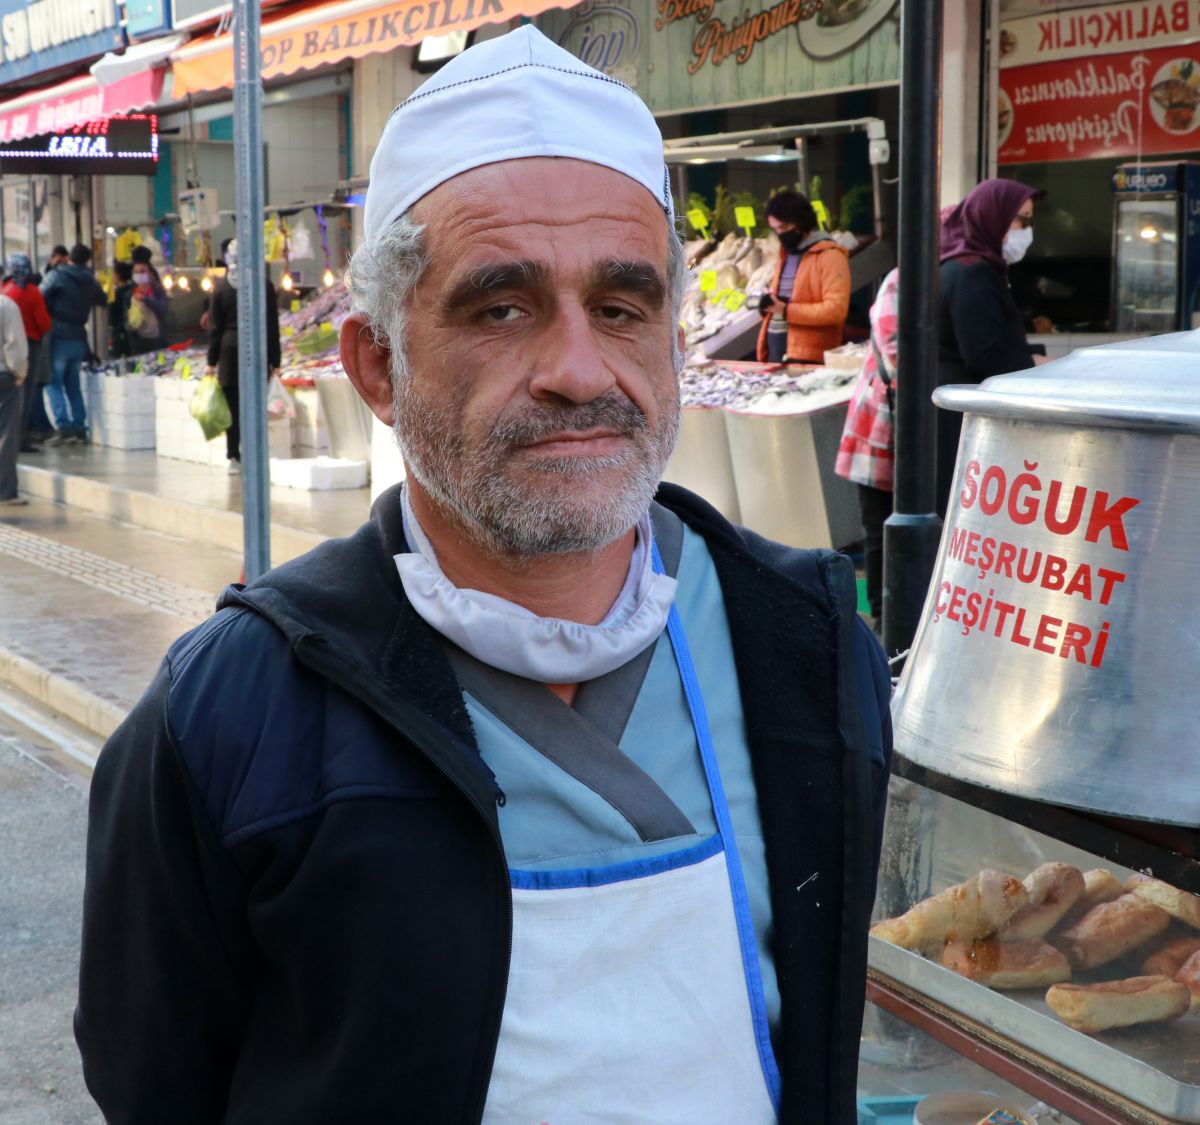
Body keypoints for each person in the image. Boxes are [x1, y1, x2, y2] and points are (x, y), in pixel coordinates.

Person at [76, 27, 891, 1125]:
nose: (575, 370)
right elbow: (157, 1082)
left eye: (621, 306)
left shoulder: (803, 641)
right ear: (377, 363)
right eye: (500, 309)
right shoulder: (227, 716)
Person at [936, 178, 1040, 514]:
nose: (1026, 230)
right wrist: (1034, 365)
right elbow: (983, 351)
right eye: (1020, 219)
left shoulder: (964, 265)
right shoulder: (971, 272)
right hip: (960, 420)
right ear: (991, 215)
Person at [835, 266, 898, 623]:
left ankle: (885, 613)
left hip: (885, 421)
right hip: (881, 424)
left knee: (881, 527)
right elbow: (897, 357)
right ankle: (882, 614)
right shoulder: (901, 282)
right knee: (879, 526)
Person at [204, 237, 282, 473]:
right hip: (256, 351)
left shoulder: (220, 288)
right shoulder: (263, 284)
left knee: (233, 407)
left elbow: (214, 329)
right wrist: (275, 361)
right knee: (255, 407)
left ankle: (234, 457)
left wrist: (211, 361)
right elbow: (271, 325)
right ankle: (254, 453)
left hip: (229, 353)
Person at [756, 189, 851, 364]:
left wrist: (785, 310)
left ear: (801, 222)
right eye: (775, 229)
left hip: (809, 357)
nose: (780, 234)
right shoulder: (786, 254)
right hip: (777, 351)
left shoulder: (830, 256)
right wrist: (769, 301)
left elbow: (836, 310)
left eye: (784, 228)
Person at [39, 243, 104, 446]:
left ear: (69, 258)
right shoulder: (90, 280)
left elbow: (39, 295)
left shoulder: (58, 275)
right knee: (73, 384)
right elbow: (102, 299)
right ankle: (79, 426)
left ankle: (64, 426)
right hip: (79, 337)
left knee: (53, 383)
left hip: (58, 335)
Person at [2, 253, 52, 452]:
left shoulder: (6, 291)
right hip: (29, 346)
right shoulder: (32, 292)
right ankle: (20, 438)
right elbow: (44, 322)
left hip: (5, 351)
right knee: (25, 394)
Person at [0, 290, 30, 505]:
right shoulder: (7, 306)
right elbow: (15, 344)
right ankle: (5, 491)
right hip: (3, 376)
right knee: (6, 433)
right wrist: (19, 372)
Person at [126, 258, 168, 356]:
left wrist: (146, 299)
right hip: (138, 342)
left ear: (150, 274)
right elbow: (126, 321)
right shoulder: (129, 294)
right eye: (136, 272)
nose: (139, 275)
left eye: (142, 271)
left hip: (157, 341)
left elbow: (162, 309)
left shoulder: (158, 291)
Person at [107, 261, 133, 359]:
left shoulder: (115, 293)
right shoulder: (133, 290)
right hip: (131, 333)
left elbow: (112, 316)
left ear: (117, 275)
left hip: (119, 332)